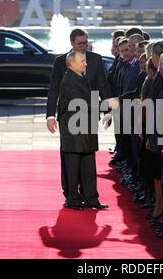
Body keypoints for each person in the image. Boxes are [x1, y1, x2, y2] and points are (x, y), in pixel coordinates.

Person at [46, 28, 110, 206]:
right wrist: (50, 115)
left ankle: (90, 197)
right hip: (70, 118)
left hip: (89, 117)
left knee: (89, 157)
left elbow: (103, 86)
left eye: (86, 43)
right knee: (70, 158)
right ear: (72, 43)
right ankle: (71, 195)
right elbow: (54, 90)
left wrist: (108, 110)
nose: (84, 47)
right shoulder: (61, 62)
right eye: (80, 44)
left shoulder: (96, 60)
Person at [58, 51, 109, 210]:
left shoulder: (79, 77)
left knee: (88, 166)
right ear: (71, 63)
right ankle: (73, 199)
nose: (85, 64)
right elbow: (81, 103)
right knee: (73, 167)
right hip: (74, 132)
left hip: (85, 129)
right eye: (82, 61)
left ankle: (91, 198)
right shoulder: (69, 80)